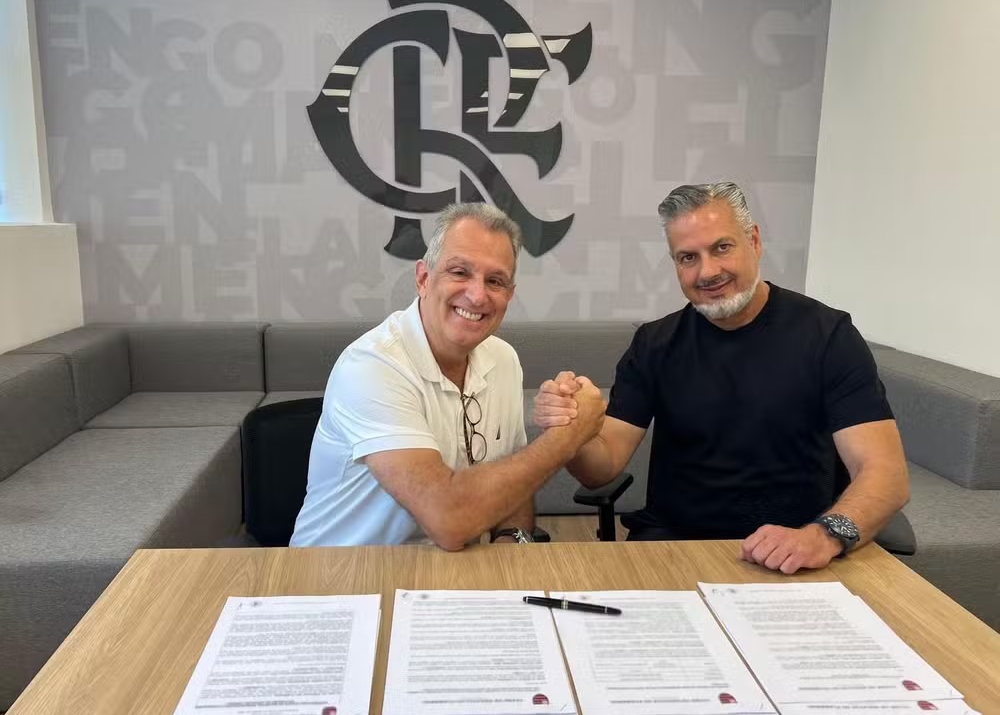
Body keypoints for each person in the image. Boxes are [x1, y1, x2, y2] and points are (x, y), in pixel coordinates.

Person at [533, 182, 909, 574]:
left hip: (795, 548)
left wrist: (824, 536)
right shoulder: (655, 344)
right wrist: (570, 429)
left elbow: (886, 474)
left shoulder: (828, 336)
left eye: (722, 247)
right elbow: (601, 468)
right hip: (675, 544)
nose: (708, 271)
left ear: (754, 241)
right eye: (688, 257)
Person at [291, 202, 605, 550]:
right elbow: (448, 519)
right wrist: (567, 438)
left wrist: (510, 540)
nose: (477, 295)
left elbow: (513, 481)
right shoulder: (371, 366)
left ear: (509, 295)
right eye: (459, 272)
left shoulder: (504, 360)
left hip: (452, 569)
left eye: (495, 281)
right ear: (423, 279)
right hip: (341, 571)